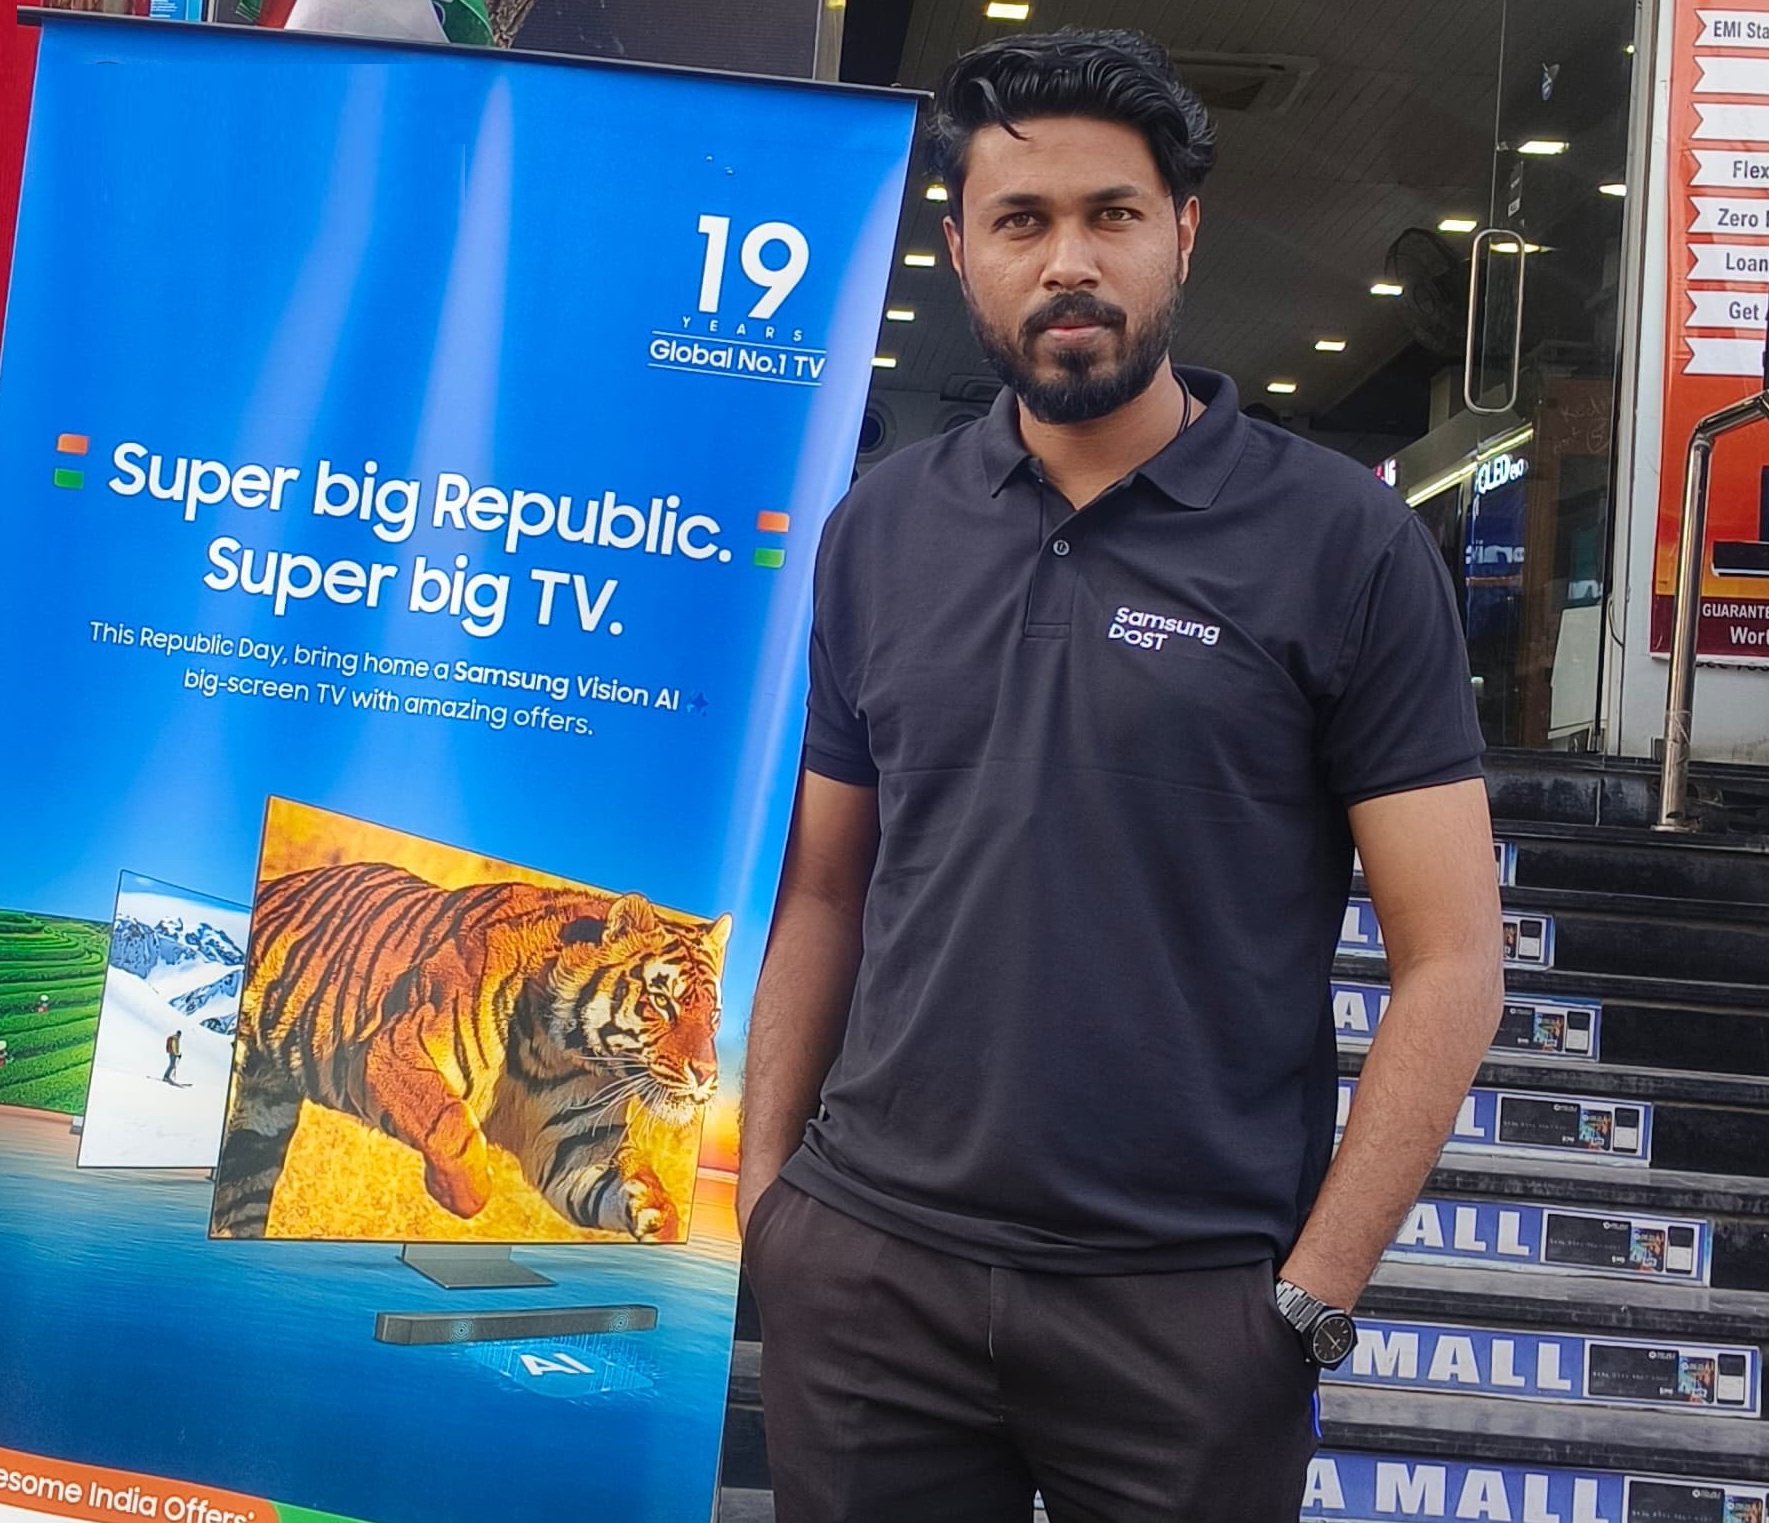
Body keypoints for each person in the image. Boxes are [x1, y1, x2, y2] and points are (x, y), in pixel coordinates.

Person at [736, 27, 1505, 1523]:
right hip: (874, 1277)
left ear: (1183, 234)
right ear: (960, 250)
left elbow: (1452, 959)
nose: (1069, 262)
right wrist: (774, 1211)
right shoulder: (879, 530)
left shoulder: (1341, 544)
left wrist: (1309, 1297)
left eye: (1113, 214)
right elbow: (824, 891)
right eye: (1021, 221)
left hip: (1186, 1312)